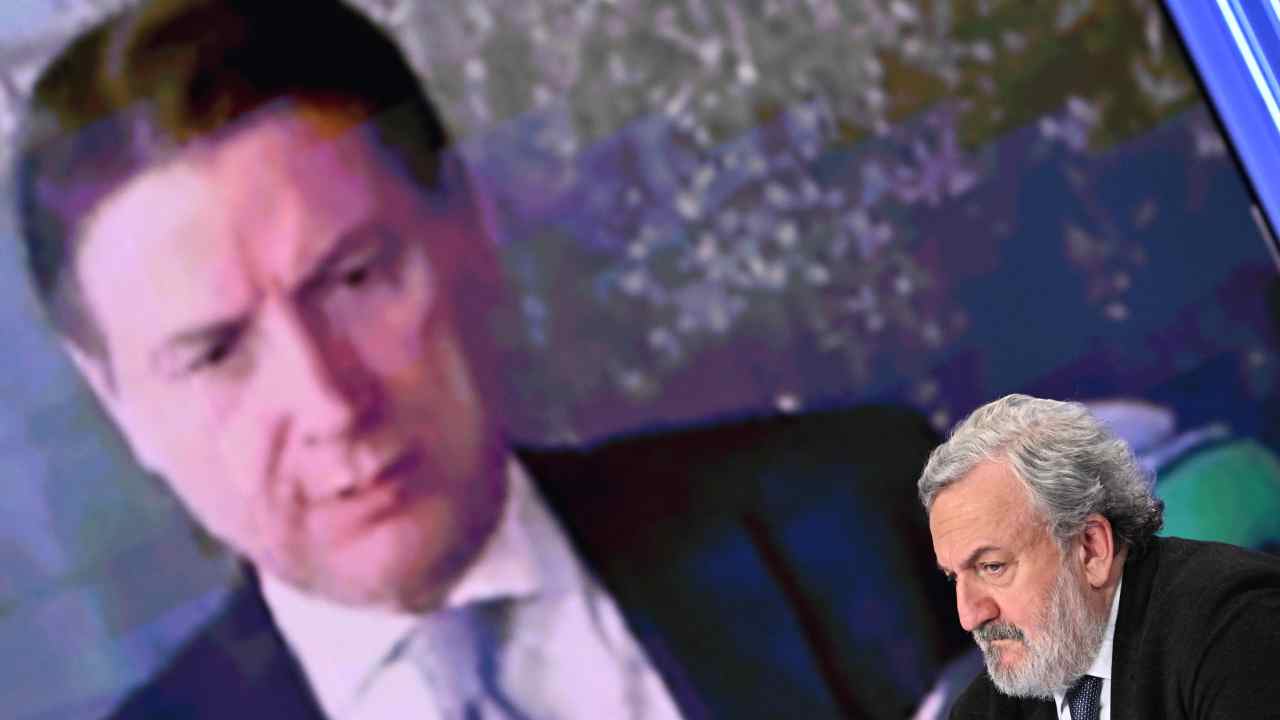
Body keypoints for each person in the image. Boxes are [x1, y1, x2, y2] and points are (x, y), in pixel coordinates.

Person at [11, 1, 967, 717]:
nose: (330, 403)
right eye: (217, 353)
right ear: (120, 403)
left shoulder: (876, 520)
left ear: (469, 227)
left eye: (355, 279)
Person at [917, 393, 1280, 719]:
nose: (969, 616)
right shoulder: (984, 710)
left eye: (992, 567)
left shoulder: (1236, 627)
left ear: (1091, 548)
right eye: (954, 577)